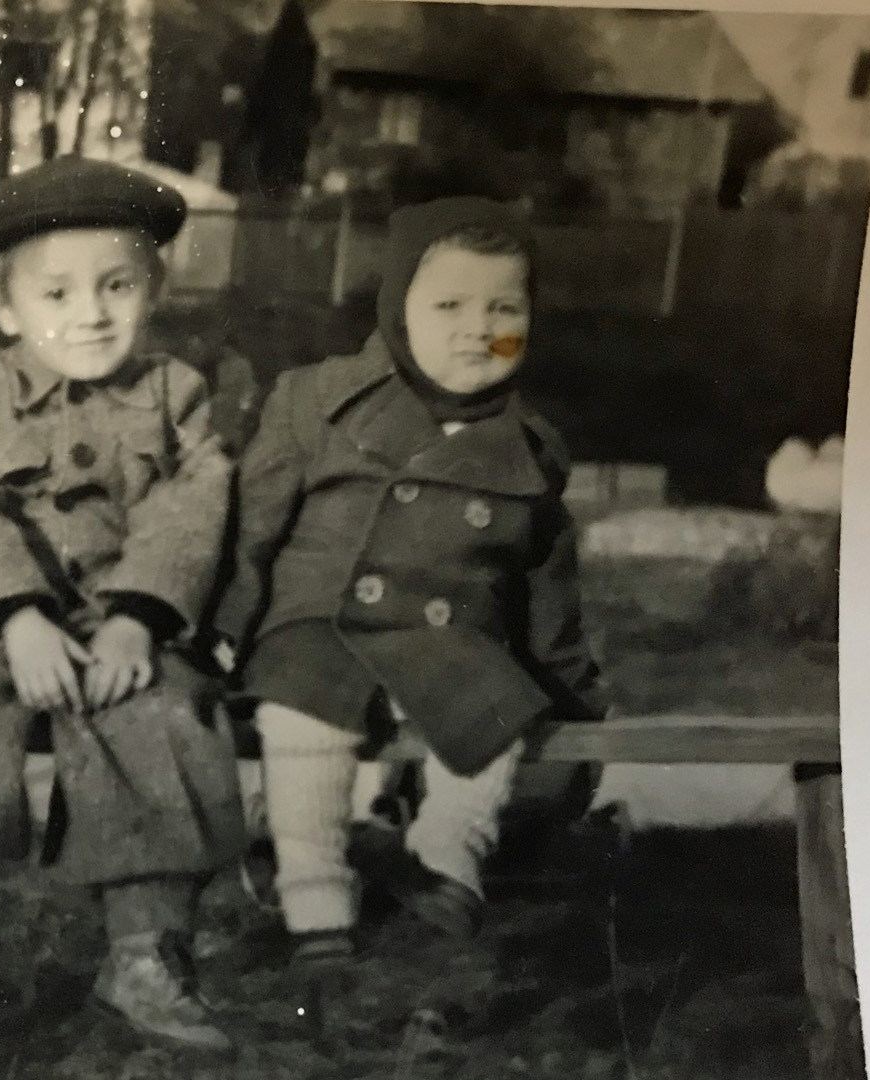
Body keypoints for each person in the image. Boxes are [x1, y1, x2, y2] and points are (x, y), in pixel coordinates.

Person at [0, 158, 246, 1052]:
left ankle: (147, 952)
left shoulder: (175, 395)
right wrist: (18, 614)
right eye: (57, 293)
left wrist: (138, 616)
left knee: (160, 706)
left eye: (117, 286)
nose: (91, 314)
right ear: (5, 310)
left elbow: (190, 509)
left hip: (122, 619)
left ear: (154, 292)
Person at [214, 196, 608, 965]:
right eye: (449, 305)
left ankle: (443, 856)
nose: (476, 327)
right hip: (321, 619)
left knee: (496, 702)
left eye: (503, 307)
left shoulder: (530, 447)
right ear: (398, 309)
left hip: (450, 631)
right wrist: (225, 629)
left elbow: (545, 588)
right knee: (304, 718)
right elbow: (251, 526)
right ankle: (312, 889)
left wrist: (570, 693)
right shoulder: (318, 401)